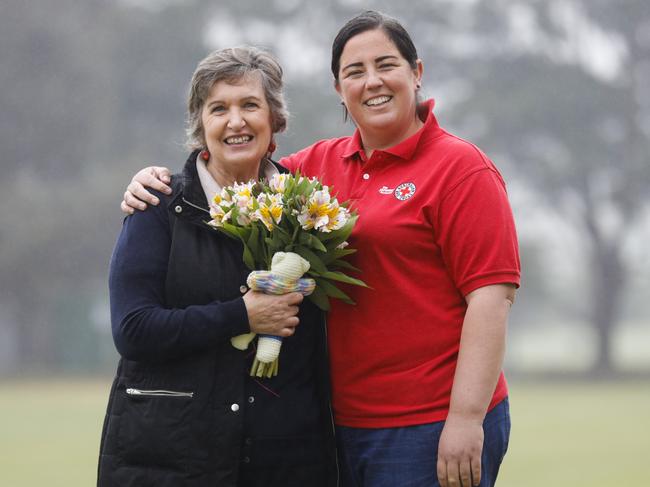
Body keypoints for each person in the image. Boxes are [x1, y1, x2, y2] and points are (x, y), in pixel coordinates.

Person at [121, 11, 521, 487]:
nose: (372, 81)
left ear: (416, 72)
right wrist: (156, 181)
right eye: (354, 72)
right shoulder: (314, 169)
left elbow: (491, 300)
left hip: (430, 423)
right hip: (339, 426)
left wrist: (466, 418)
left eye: (386, 65)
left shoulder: (462, 170)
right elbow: (237, 166)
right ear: (339, 89)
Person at [98, 46, 338, 487]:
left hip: (285, 463)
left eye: (250, 105)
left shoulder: (309, 211)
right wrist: (242, 316)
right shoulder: (157, 205)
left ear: (275, 120)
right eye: (218, 109)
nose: (235, 121)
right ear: (200, 125)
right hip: (172, 463)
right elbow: (132, 330)